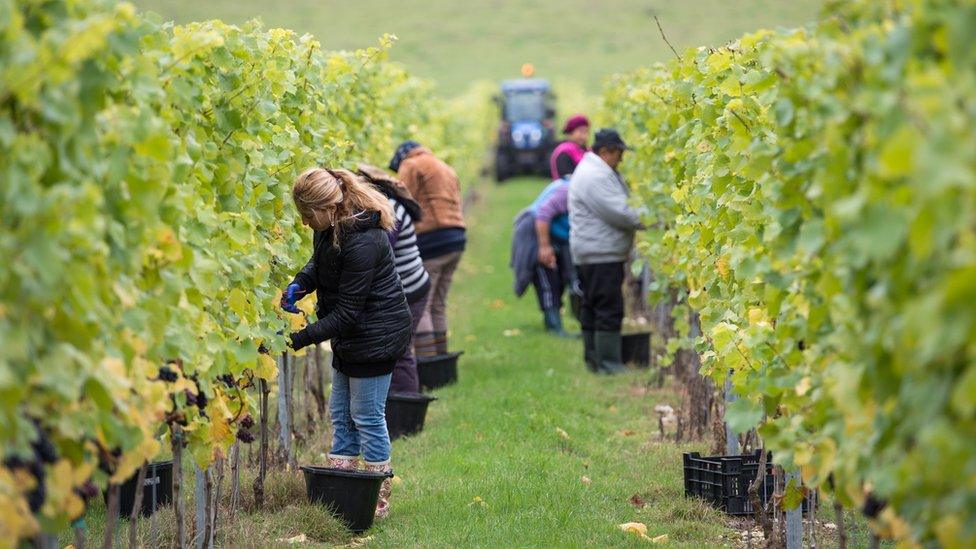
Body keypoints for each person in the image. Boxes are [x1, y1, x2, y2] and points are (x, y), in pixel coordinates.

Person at [282, 167, 412, 519]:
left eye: (308, 215)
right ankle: (343, 490)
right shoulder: (330, 228)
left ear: (328, 207)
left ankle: (375, 501)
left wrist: (298, 338)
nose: (306, 224)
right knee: (341, 415)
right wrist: (300, 283)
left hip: (376, 335)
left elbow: (348, 313)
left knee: (367, 417)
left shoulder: (364, 241)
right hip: (351, 338)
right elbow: (319, 263)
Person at [568, 129, 643, 374]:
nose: (620, 159)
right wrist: (653, 219)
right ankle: (609, 364)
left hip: (593, 250)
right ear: (605, 151)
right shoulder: (595, 176)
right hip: (601, 252)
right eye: (619, 153)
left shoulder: (594, 171)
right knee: (607, 306)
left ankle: (594, 360)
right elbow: (621, 211)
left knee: (592, 305)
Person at [358, 163, 430, 395]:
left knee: (399, 351)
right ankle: (398, 408)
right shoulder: (383, 207)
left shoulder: (390, 210)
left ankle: (407, 410)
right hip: (407, 289)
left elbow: (379, 253)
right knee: (396, 350)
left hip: (410, 291)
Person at [390, 141, 466, 358]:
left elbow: (402, 201)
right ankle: (441, 358)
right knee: (439, 303)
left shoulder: (411, 164)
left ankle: (427, 364)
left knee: (422, 302)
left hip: (433, 239)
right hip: (456, 238)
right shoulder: (445, 167)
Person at [510, 176, 576, 337]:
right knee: (547, 279)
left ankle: (554, 323)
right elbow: (543, 214)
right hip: (535, 234)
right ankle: (554, 328)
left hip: (552, 236)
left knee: (559, 279)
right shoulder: (567, 191)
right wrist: (544, 247)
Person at [549, 114, 590, 180]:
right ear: (570, 132)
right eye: (581, 131)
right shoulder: (564, 152)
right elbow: (567, 178)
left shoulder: (587, 150)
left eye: (586, 132)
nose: (584, 136)